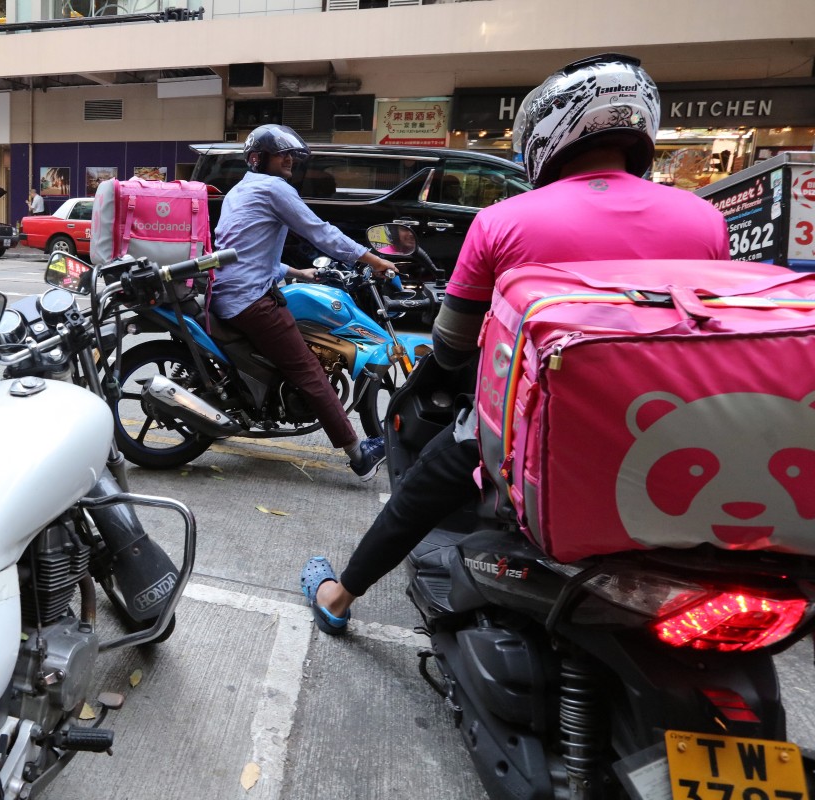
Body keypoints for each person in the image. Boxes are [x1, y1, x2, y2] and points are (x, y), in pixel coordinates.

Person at [300, 53, 731, 634]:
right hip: (674, 425)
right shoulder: (704, 219)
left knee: (423, 485)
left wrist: (459, 365)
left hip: (539, 429)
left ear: (549, 132)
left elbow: (451, 345)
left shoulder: (504, 220)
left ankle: (339, 597)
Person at [211, 123, 399, 482]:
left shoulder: (241, 190)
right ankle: (358, 454)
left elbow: (246, 251)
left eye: (291, 155)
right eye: (281, 154)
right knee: (309, 370)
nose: (289, 160)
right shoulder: (273, 188)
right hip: (251, 299)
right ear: (257, 158)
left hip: (227, 292)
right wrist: (371, 260)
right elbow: (319, 231)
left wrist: (297, 273)